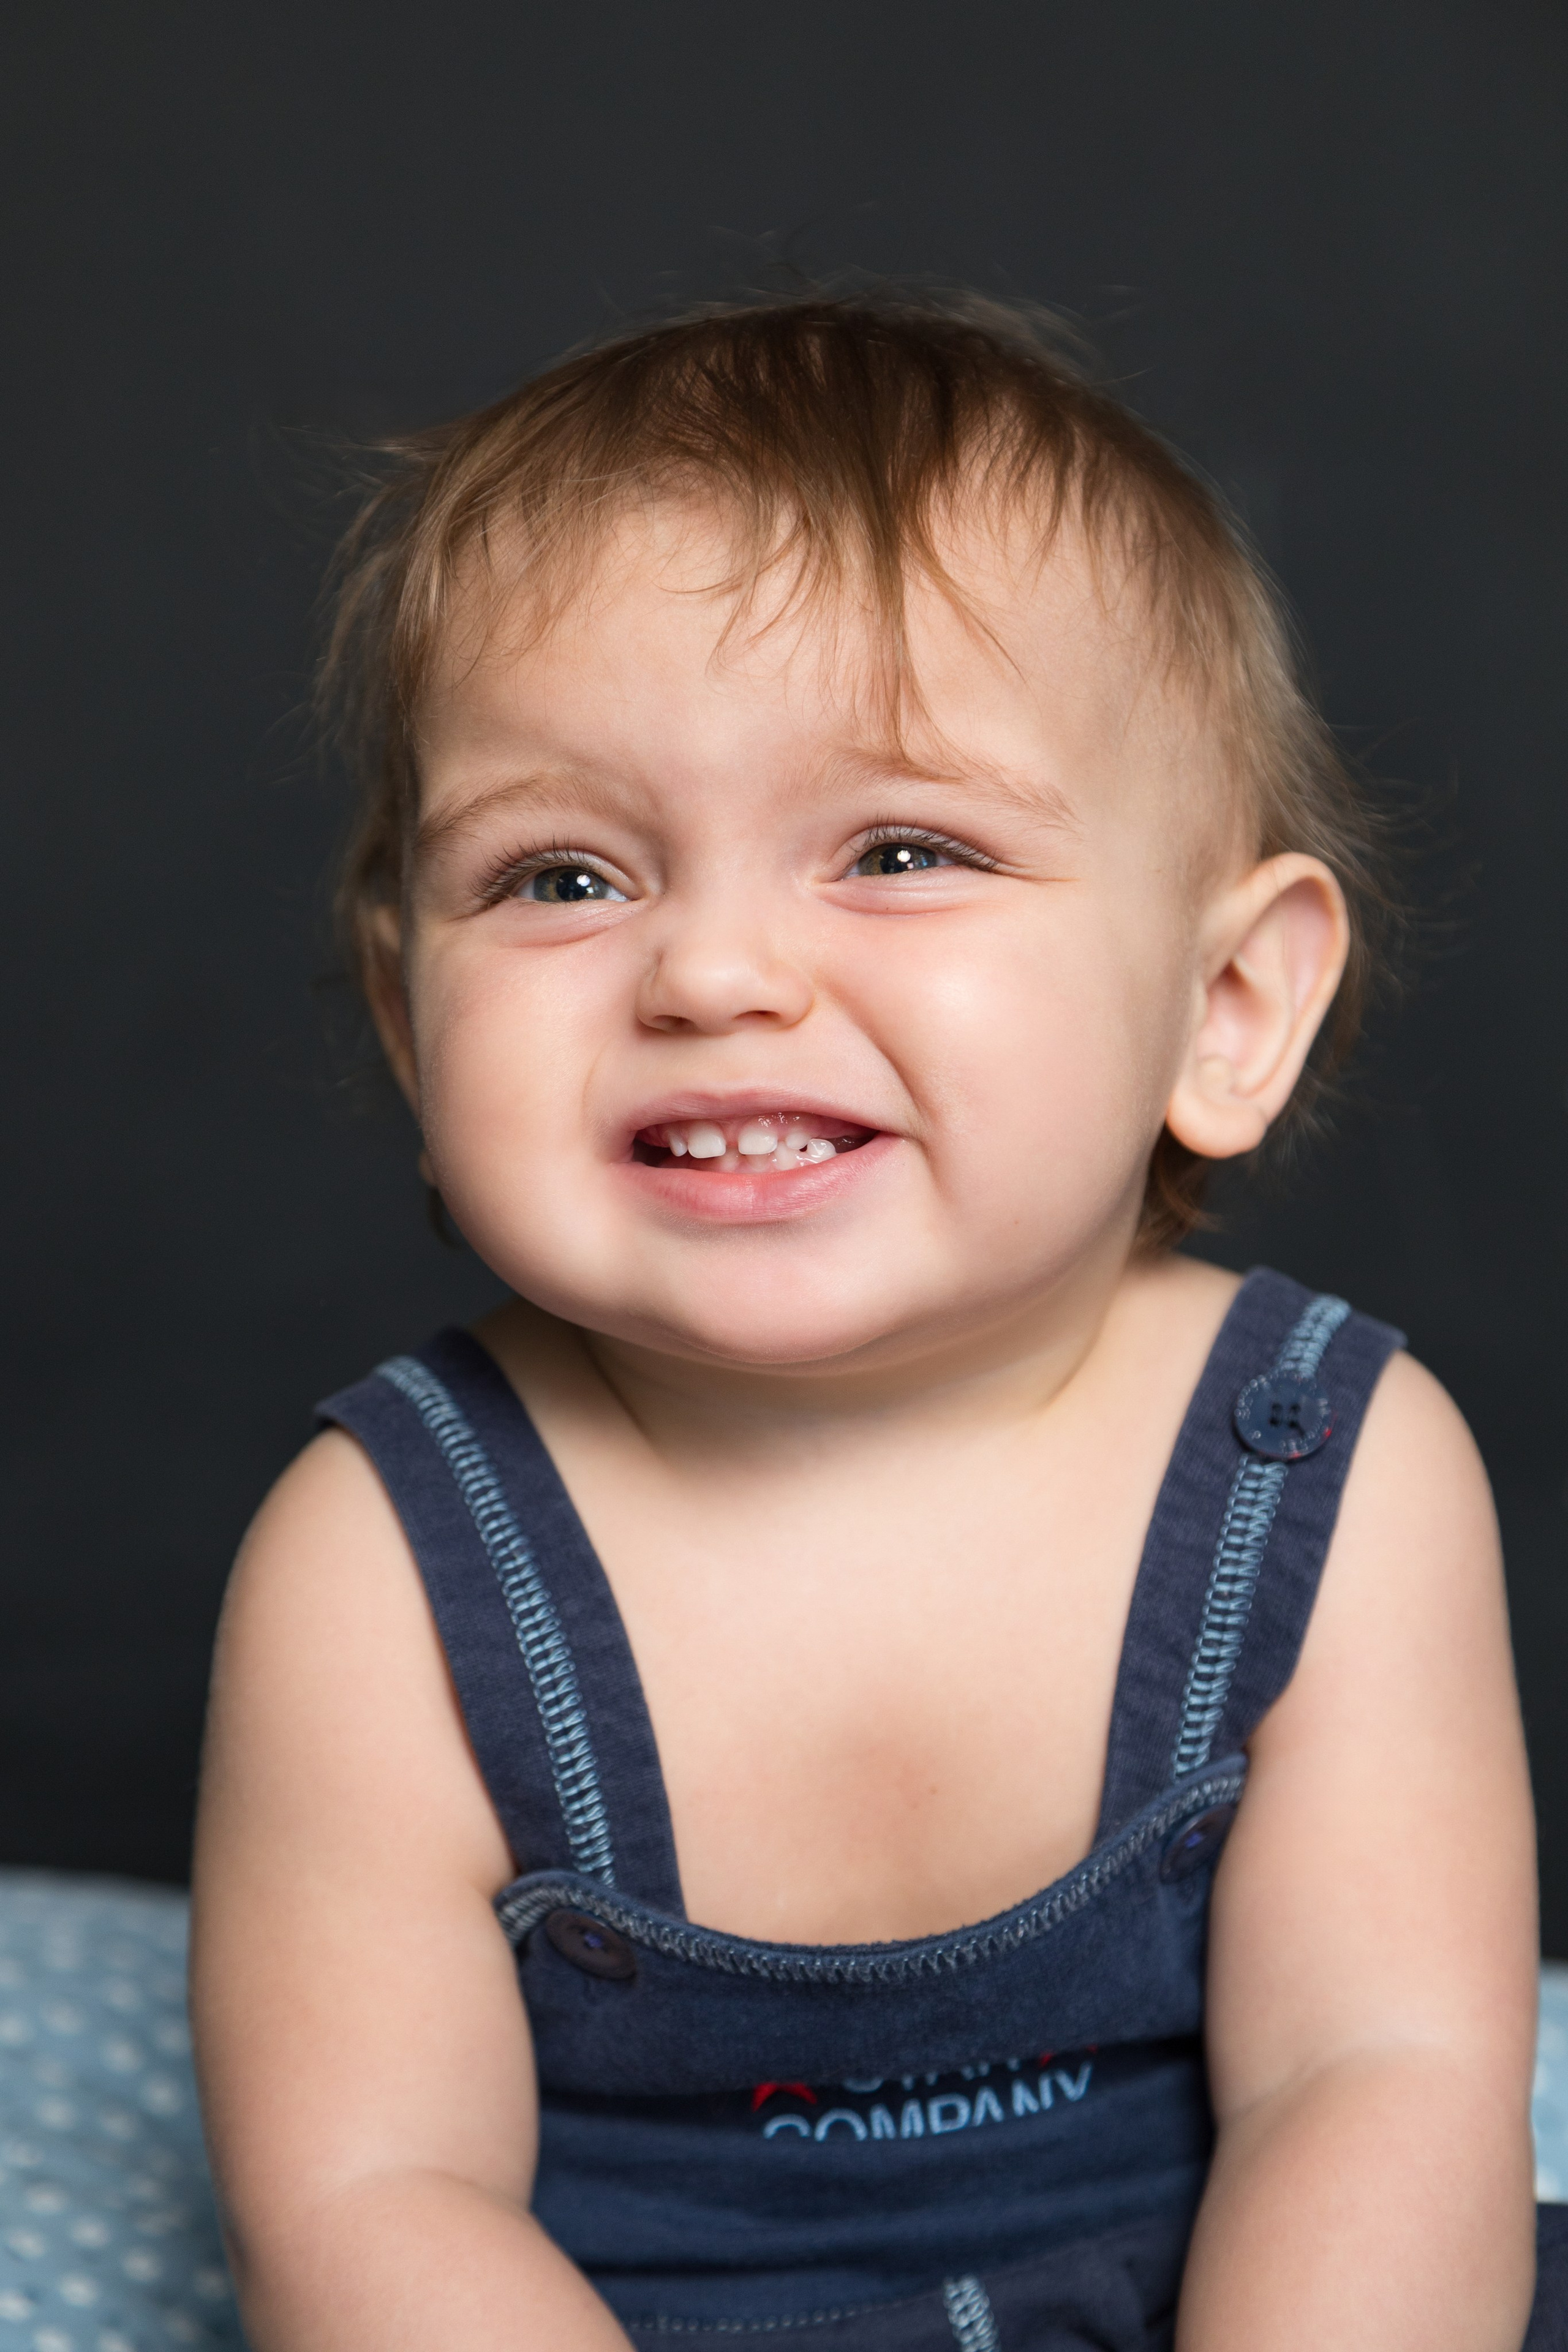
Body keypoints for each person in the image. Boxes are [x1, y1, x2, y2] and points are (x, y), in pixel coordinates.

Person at [188, 292, 1562, 2350]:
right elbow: (373, 2207)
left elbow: (1378, 2085)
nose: (714, 971)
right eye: (562, 878)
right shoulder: (381, 1567)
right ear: (412, 1023)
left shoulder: (1334, 1473)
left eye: (903, 849)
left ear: (1227, 1011)